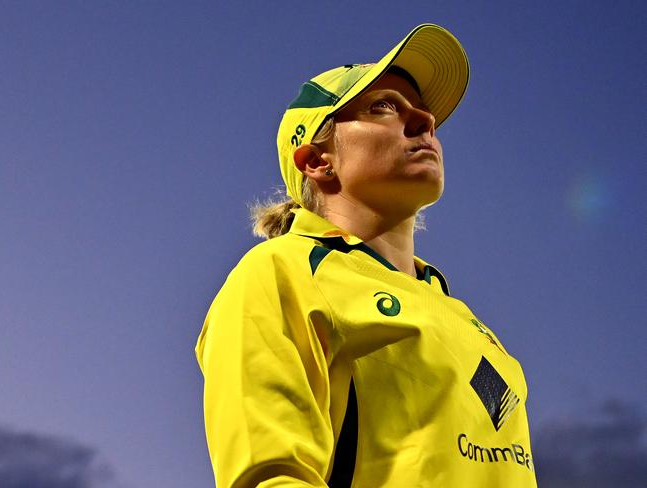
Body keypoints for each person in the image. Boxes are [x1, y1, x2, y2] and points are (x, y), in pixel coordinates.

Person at [195, 24, 537, 487]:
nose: (424, 121)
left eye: (422, 110)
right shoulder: (282, 273)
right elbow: (271, 476)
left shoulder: (466, 320)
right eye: (383, 107)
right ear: (317, 161)